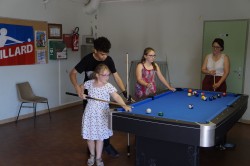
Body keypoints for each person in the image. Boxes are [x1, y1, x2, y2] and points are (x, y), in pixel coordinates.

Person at [69, 36, 129, 157]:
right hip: (89, 95)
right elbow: (72, 73)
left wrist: (124, 92)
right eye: (102, 54)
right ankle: (91, 147)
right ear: (94, 50)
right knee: (91, 122)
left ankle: (106, 146)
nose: (104, 56)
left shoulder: (108, 59)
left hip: (102, 97)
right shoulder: (87, 59)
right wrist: (77, 88)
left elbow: (116, 77)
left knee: (104, 122)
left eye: (106, 53)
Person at [81, 64, 131, 166]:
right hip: (90, 114)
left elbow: (116, 96)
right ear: (97, 75)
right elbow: (80, 87)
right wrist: (81, 93)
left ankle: (98, 158)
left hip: (102, 115)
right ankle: (92, 156)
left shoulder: (108, 86)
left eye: (108, 75)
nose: (107, 77)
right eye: (104, 75)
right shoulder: (89, 83)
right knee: (90, 138)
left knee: (100, 138)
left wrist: (124, 105)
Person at [201, 38, 232, 150]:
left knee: (219, 106)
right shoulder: (208, 56)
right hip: (208, 81)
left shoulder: (225, 57)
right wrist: (209, 71)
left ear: (221, 48)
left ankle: (219, 133)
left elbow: (226, 72)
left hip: (220, 82)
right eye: (214, 46)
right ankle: (206, 130)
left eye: (217, 47)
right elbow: (202, 69)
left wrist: (218, 83)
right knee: (206, 104)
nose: (215, 49)